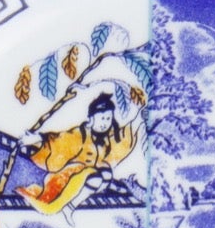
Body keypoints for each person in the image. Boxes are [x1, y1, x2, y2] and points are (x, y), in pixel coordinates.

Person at [17, 89, 139, 217]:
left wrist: (139, 119)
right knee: (96, 178)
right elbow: (59, 141)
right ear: (91, 118)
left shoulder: (106, 138)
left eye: (108, 118)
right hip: (69, 177)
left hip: (91, 177)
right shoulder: (79, 134)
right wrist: (38, 139)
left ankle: (73, 205)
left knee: (106, 174)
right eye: (102, 118)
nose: (105, 123)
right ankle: (69, 207)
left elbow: (123, 137)